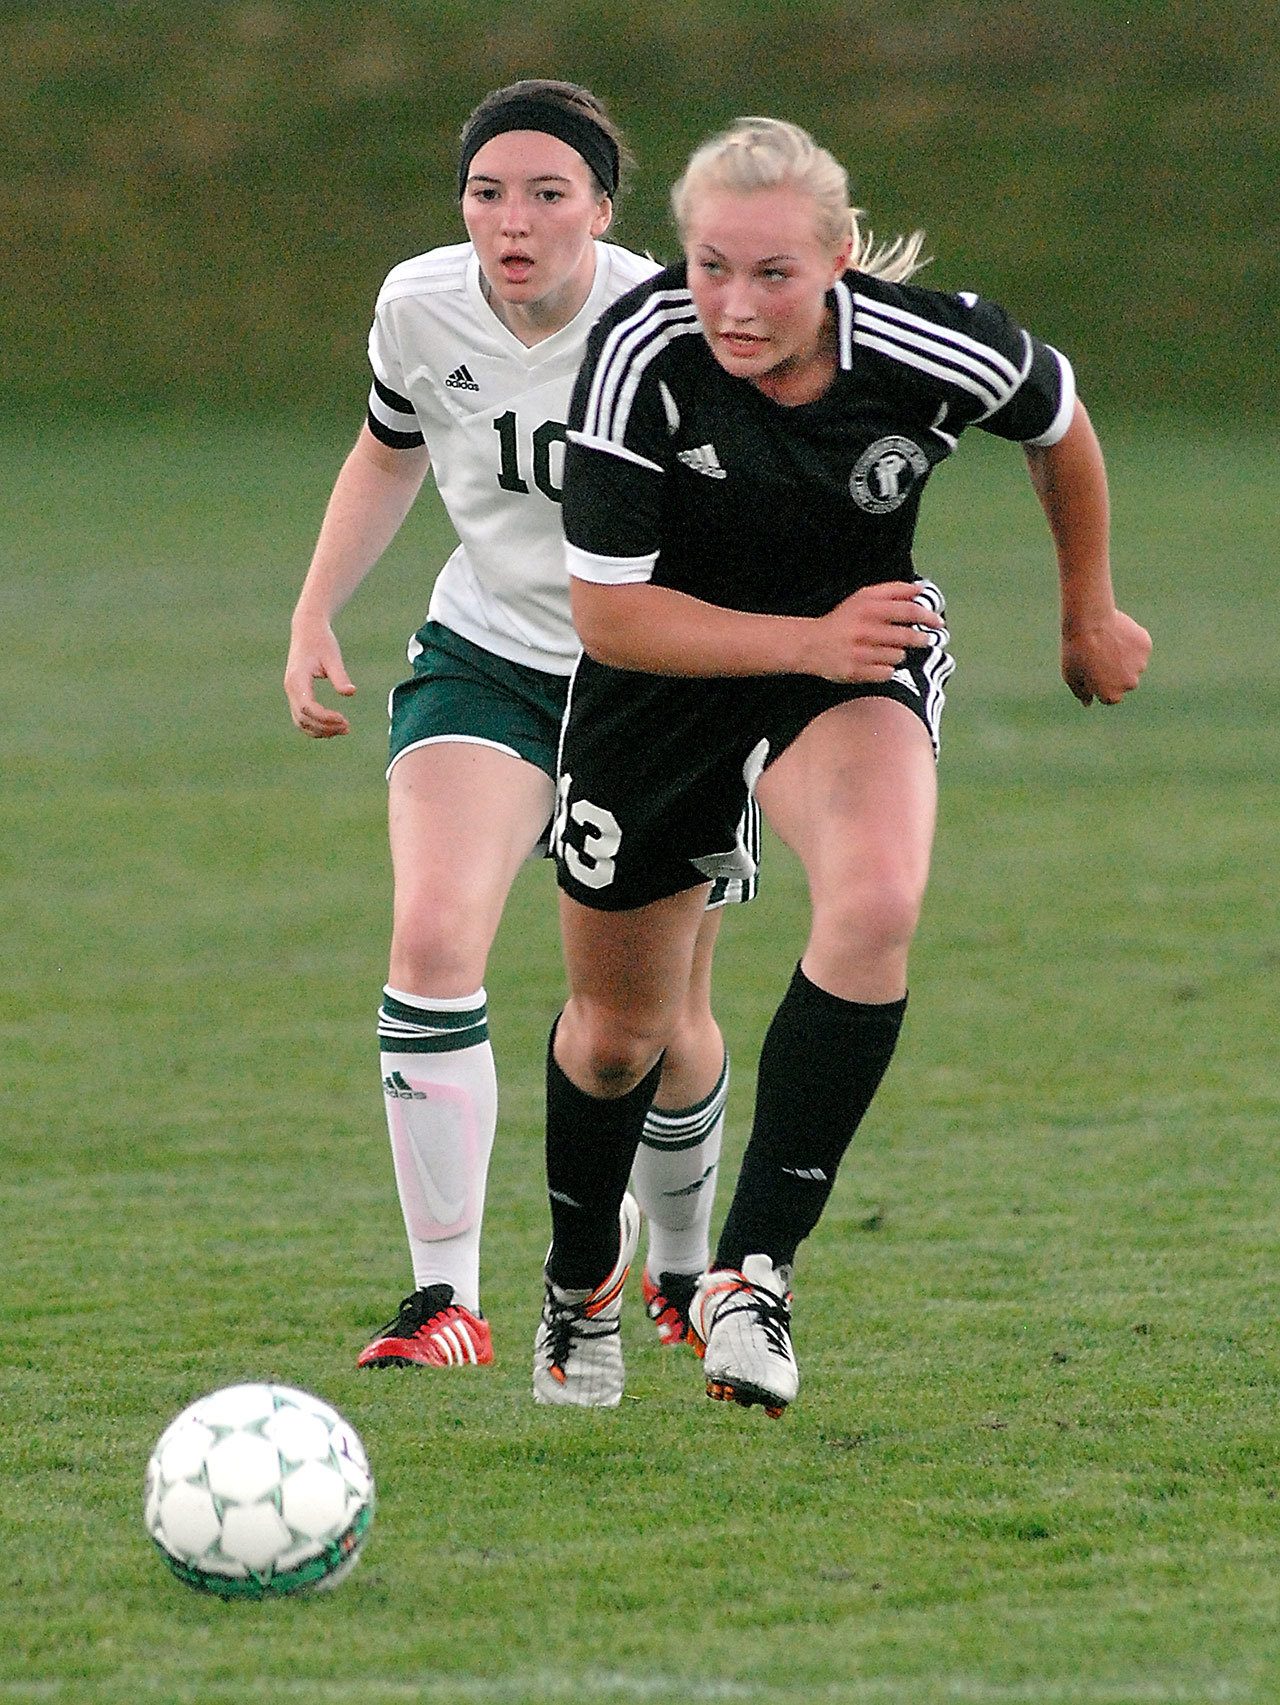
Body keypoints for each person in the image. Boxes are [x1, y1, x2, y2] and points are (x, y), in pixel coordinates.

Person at [532, 116, 1151, 1413]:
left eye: (774, 273)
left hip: (856, 659)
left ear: (839, 259)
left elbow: (1058, 423)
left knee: (875, 906)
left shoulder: (930, 344)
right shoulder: (638, 354)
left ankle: (750, 1277)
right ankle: (579, 1283)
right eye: (711, 267)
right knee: (618, 1039)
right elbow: (609, 617)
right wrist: (802, 638)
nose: (735, 305)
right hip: (664, 677)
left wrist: (1087, 612)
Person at [284, 80, 751, 1371]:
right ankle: (444, 1298)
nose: (514, 220)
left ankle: (678, 1268)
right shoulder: (417, 304)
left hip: (655, 687)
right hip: (486, 655)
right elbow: (388, 448)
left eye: (550, 194)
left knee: (658, 1023)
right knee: (433, 936)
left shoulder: (668, 326)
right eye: (488, 192)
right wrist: (317, 607)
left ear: (603, 209)